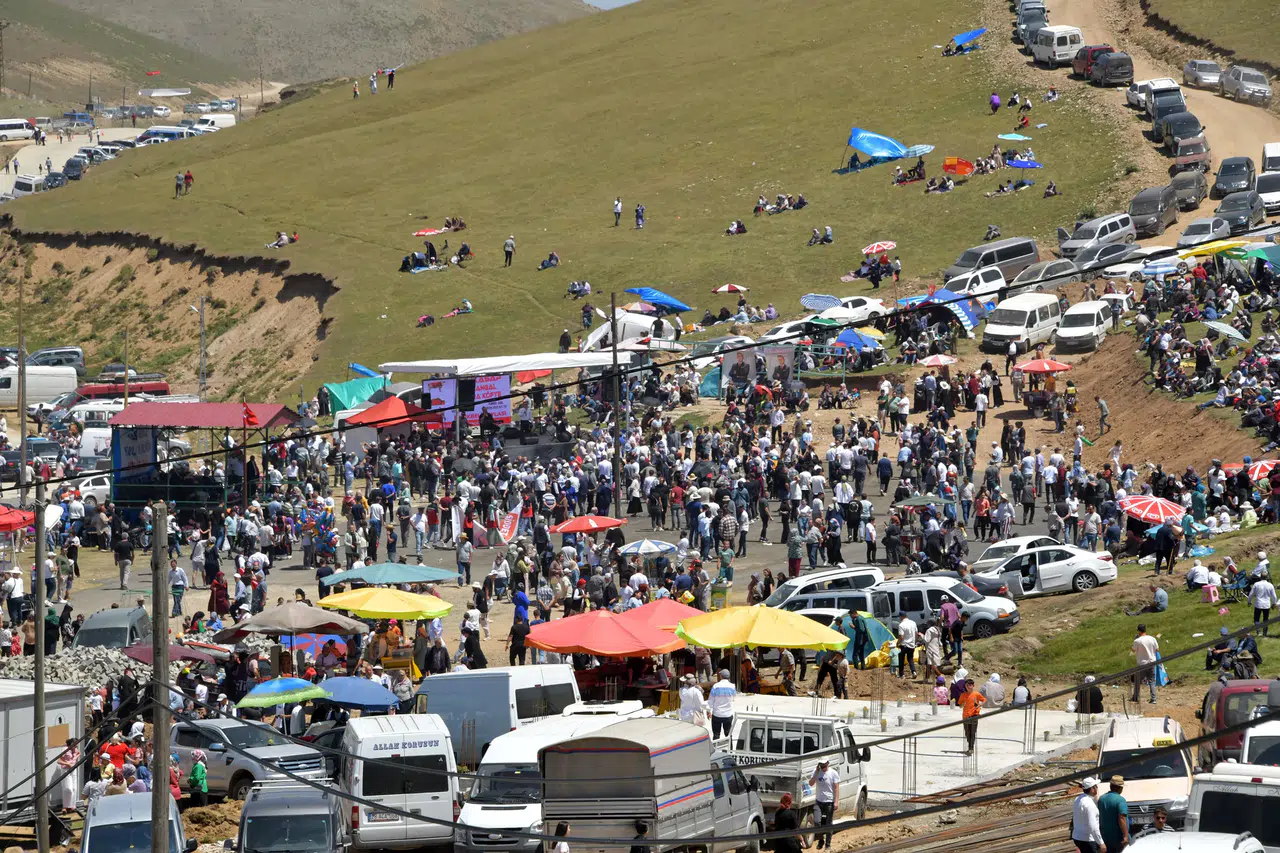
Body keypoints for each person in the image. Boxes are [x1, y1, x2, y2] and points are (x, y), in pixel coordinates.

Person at [809, 758, 840, 849]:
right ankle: (821, 839)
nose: (823, 767)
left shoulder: (833, 773)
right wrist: (816, 773)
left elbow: (836, 788)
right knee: (817, 822)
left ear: (828, 763)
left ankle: (828, 845)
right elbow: (811, 783)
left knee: (828, 823)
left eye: (824, 765)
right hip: (819, 801)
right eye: (821, 765)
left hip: (829, 802)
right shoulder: (816, 772)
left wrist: (836, 801)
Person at [1072, 777, 1104, 853]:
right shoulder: (1089, 805)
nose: (1097, 788)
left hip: (1077, 837)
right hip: (1087, 839)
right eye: (1096, 786)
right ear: (1092, 789)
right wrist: (1101, 843)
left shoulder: (1077, 799)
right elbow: (1093, 827)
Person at [1098, 776, 1130, 853]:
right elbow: (1122, 818)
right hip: (1118, 838)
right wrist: (1126, 836)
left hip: (1105, 837)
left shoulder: (1101, 799)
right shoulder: (1120, 800)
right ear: (1120, 788)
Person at [1131, 624, 1160, 704]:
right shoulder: (1152, 638)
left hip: (1142, 664)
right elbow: (1157, 649)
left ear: (1139, 631)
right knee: (1152, 681)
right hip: (1152, 662)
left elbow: (1133, 650)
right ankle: (1153, 699)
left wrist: (1136, 640)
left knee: (1137, 681)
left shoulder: (1137, 641)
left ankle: (1135, 697)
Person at [958, 677, 985, 755]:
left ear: (973, 686)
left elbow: (983, 699)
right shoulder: (963, 695)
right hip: (966, 716)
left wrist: (980, 705)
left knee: (972, 732)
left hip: (974, 715)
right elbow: (960, 705)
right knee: (967, 732)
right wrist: (963, 704)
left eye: (970, 685)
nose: (968, 687)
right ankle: (970, 745)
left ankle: (971, 748)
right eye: (967, 685)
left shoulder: (976, 694)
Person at [708, 669, 736, 737]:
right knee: (728, 735)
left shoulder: (716, 686)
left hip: (717, 714)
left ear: (721, 676)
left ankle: (716, 744)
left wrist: (708, 711)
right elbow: (733, 699)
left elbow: (710, 700)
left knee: (716, 735)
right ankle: (729, 744)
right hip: (728, 714)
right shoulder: (732, 686)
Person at [1249, 571, 1276, 636]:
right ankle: (1264, 633)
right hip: (1266, 605)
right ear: (1267, 577)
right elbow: (1274, 596)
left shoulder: (1256, 584)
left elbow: (1251, 594)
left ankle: (1258, 632)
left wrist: (1249, 601)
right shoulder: (1270, 585)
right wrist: (1274, 603)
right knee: (1266, 619)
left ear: (1260, 577)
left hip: (1258, 604)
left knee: (1256, 619)